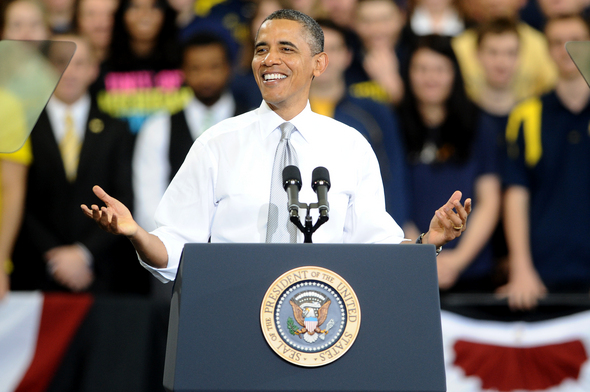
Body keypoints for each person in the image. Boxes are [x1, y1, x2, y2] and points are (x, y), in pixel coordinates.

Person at [82, 9, 471, 284]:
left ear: (319, 65)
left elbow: (375, 250)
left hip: (320, 325)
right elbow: (175, 248)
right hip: (231, 312)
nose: (270, 59)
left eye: (286, 48)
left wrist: (427, 242)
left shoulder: (350, 146)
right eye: (261, 48)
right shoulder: (216, 144)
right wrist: (136, 233)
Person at [11, 34, 149, 294]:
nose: (69, 72)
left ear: (94, 69)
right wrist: (54, 256)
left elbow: (123, 197)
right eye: (61, 62)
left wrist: (83, 254)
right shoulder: (23, 126)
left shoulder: (116, 130)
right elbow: (17, 200)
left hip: (101, 276)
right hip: (33, 275)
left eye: (80, 63)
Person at [497, 14, 590, 310]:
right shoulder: (526, 114)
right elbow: (516, 194)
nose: (566, 49)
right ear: (547, 50)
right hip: (545, 272)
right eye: (556, 42)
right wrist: (522, 268)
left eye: (576, 40)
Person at [398, 35, 501, 292]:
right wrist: (423, 253)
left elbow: (489, 201)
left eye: (440, 69)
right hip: (410, 266)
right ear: (408, 73)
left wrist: (457, 261)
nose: (430, 78)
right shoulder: (392, 124)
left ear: (454, 74)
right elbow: (393, 200)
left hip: (471, 271)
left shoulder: (480, 124)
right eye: (421, 69)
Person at [133, 32, 254, 232]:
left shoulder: (252, 123)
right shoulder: (158, 127)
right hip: (175, 249)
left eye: (214, 67)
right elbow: (148, 206)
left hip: (241, 246)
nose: (206, 76)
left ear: (229, 68)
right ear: (183, 72)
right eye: (196, 68)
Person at [310, 18, 408, 225]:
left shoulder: (374, 111)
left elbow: (393, 175)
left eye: (334, 49)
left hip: (362, 229)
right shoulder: (284, 111)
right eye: (317, 49)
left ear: (347, 56)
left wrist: (393, 233)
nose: (325, 58)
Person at [0, 0, 51, 300]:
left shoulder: (58, 79)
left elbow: (13, 187)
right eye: (16, 25)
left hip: (37, 213)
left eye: (33, 24)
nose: (25, 33)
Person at [452, 0, 558, 106]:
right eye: (493, 52)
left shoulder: (540, 44)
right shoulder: (458, 46)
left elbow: (551, 91)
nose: (494, 2)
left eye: (511, 53)